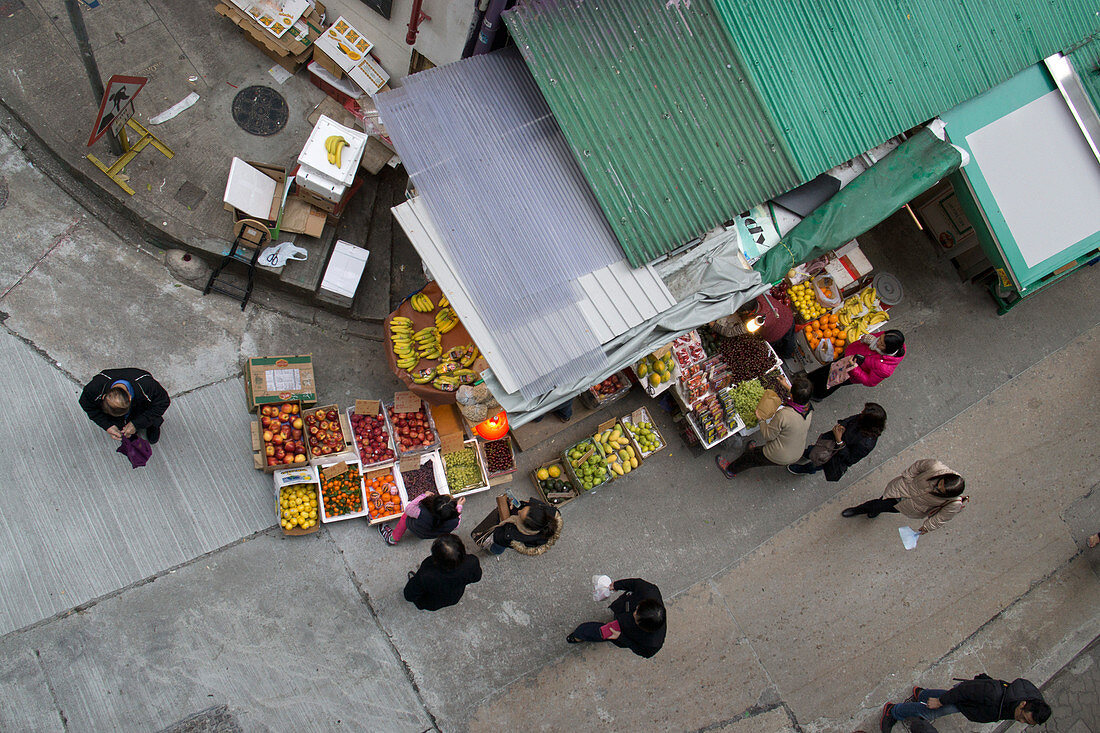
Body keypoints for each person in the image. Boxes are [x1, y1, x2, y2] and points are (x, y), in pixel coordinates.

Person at [716, 374, 813, 477]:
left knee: (752, 458)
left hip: (781, 454)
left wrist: (761, 419)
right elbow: (798, 398)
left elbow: (768, 435)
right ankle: (751, 451)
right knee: (756, 453)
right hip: (797, 450)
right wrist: (786, 386)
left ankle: (730, 470)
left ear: (793, 395)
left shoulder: (784, 415)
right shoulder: (808, 408)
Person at [880, 675, 1051, 731]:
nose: (1020, 721)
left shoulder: (1032, 702)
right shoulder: (993, 693)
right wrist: (940, 702)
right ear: (1023, 705)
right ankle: (893, 711)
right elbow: (963, 691)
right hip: (969, 700)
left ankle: (922, 694)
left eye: (1026, 722)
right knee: (930, 711)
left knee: (945, 697)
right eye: (1023, 717)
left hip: (975, 705)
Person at [842, 459, 966, 536]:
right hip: (899, 489)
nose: (936, 488)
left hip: (909, 506)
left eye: (941, 491)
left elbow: (941, 518)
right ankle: (864, 510)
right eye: (939, 484)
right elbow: (918, 466)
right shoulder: (935, 467)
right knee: (879, 502)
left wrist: (927, 527)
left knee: (882, 505)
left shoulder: (954, 503)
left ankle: (869, 510)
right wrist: (906, 479)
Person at [567, 578, 666, 658]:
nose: (634, 613)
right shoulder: (649, 591)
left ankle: (579, 635)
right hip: (622, 608)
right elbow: (635, 583)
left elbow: (641, 651)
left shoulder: (653, 643)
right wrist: (617, 585)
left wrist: (621, 637)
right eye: (637, 609)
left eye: (636, 617)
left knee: (596, 631)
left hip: (622, 632)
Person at [788, 402, 887, 480]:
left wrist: (839, 440)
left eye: (863, 413)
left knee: (817, 463)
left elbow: (850, 459)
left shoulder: (866, 444)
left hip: (833, 455)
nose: (860, 412)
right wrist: (842, 425)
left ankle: (807, 469)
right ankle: (807, 453)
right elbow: (851, 419)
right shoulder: (862, 418)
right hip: (829, 441)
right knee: (813, 449)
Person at [79, 368, 170, 444]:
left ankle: (153, 426)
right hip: (123, 417)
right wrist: (107, 425)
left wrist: (136, 423)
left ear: (130, 398)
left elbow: (163, 403)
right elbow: (88, 406)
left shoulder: (148, 385)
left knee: (152, 420)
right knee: (123, 426)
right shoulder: (94, 387)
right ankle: (128, 430)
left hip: (142, 410)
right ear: (103, 397)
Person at [810, 329, 906, 399]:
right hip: (849, 355)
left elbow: (869, 381)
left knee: (831, 383)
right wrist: (869, 338)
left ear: (888, 349)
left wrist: (854, 369)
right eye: (879, 339)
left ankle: (817, 395)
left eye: (881, 344)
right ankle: (810, 379)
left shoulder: (885, 369)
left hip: (849, 373)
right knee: (826, 369)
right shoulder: (889, 337)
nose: (877, 342)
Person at [402, 534, 482, 611]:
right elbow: (476, 578)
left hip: (431, 602)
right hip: (454, 597)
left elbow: (409, 594)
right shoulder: (472, 562)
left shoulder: (427, 574)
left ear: (436, 559)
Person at [379, 492, 464, 545]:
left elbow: (408, 509)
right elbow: (456, 524)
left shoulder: (421, 512)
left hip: (414, 527)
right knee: (423, 531)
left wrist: (424, 495)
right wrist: (459, 507)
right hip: (428, 535)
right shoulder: (454, 521)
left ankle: (393, 538)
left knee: (406, 516)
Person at [487, 498, 562, 556]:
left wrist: (503, 512)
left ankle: (494, 551)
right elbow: (527, 504)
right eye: (523, 509)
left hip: (502, 541)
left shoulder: (510, 536)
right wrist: (515, 506)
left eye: (519, 515)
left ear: (524, 527)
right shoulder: (547, 514)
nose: (518, 511)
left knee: (498, 547)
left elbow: (498, 538)